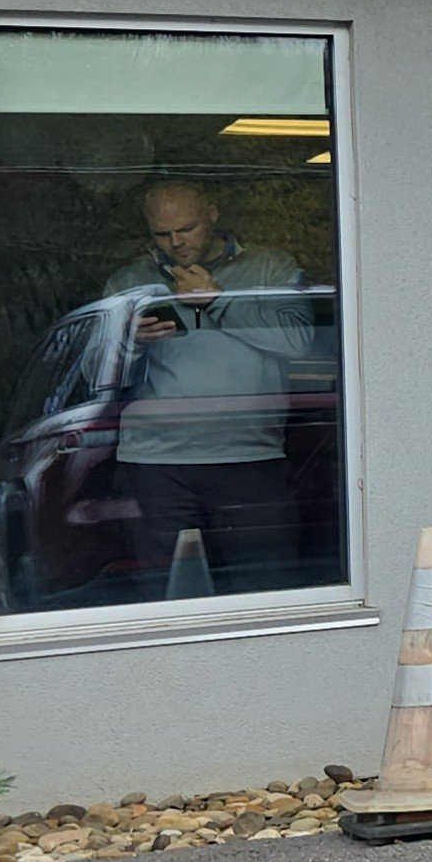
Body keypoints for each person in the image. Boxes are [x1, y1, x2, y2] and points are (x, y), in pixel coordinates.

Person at [98, 178, 312, 591]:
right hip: (156, 464)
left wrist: (218, 300)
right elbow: (96, 374)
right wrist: (129, 343)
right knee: (164, 594)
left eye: (187, 228)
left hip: (250, 456)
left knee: (265, 588)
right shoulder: (129, 282)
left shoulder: (270, 268)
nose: (176, 242)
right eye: (162, 234)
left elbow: (299, 342)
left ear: (213, 215)